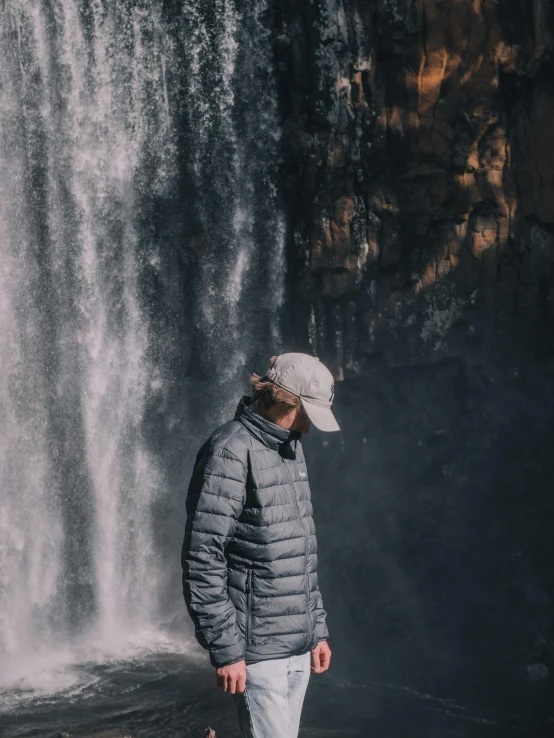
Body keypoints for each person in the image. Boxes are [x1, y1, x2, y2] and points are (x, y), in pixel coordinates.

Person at [181, 352, 340, 738]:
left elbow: (299, 550)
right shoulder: (229, 451)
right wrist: (227, 650)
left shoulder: (290, 446)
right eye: (309, 413)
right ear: (288, 401)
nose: (311, 427)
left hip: (298, 646)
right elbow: (203, 556)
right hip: (257, 651)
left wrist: (316, 629)